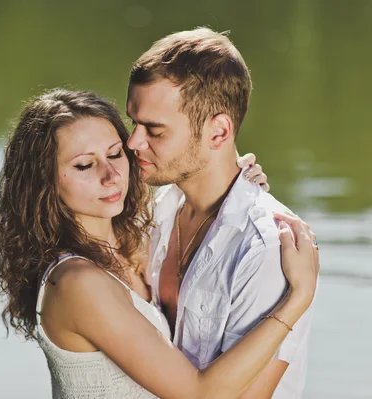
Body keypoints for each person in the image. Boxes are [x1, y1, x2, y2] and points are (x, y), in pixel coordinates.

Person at [0, 88, 318, 398]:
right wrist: (298, 297)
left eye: (115, 154)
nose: (111, 175)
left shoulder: (135, 240)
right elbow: (198, 393)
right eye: (85, 165)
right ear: (43, 182)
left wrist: (235, 184)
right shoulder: (78, 282)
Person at [126, 27, 316, 398]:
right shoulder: (150, 214)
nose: (134, 141)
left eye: (155, 130)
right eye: (134, 122)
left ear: (218, 133)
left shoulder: (268, 248)